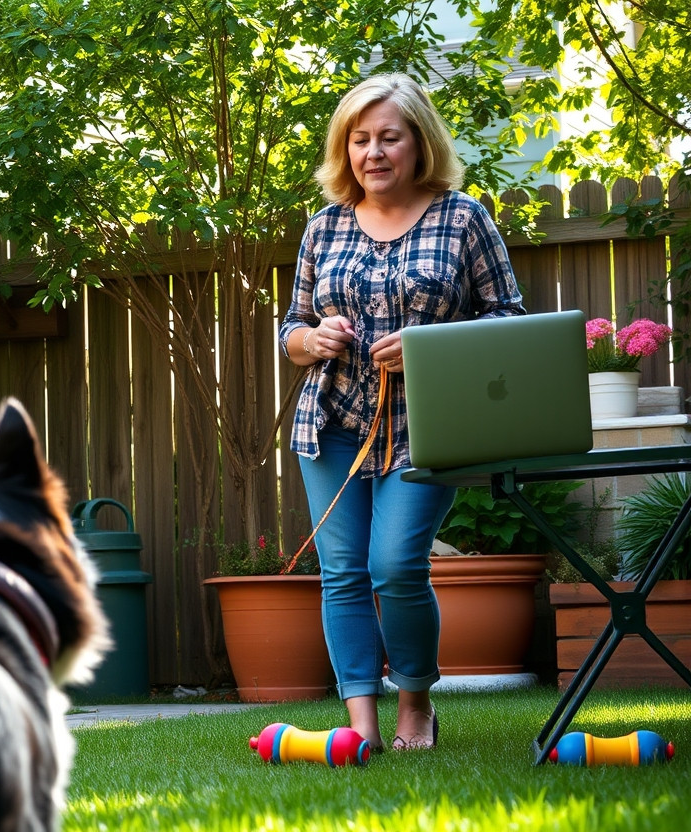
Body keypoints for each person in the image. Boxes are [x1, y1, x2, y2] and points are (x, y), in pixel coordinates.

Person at [278, 73, 524, 751]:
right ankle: (361, 725)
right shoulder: (323, 226)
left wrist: (426, 349)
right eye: (360, 139)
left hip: (428, 426)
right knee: (344, 573)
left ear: (419, 143)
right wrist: (311, 339)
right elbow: (291, 329)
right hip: (332, 425)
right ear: (344, 149)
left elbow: (510, 323)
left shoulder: (463, 218)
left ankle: (414, 703)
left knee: (394, 565)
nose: (373, 153)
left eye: (389, 137)